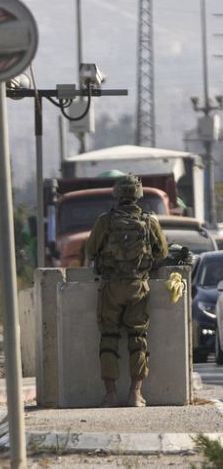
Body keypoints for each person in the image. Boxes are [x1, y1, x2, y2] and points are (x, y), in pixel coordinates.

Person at [85, 174, 168, 408]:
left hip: (111, 287)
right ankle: (135, 394)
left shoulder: (105, 221)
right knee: (138, 339)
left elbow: (91, 251)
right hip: (138, 287)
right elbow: (161, 252)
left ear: (117, 193)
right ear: (139, 194)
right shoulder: (149, 220)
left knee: (109, 338)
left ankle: (110, 395)